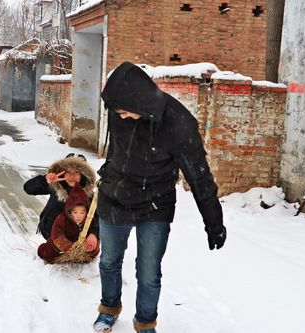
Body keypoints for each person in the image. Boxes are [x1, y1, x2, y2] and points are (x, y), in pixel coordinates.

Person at [93, 62, 227, 333]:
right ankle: (109, 307)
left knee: (149, 272)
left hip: (155, 204)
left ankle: (145, 323)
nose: (119, 115)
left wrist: (214, 222)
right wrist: (107, 179)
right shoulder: (119, 111)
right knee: (109, 261)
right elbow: (115, 151)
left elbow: (199, 177)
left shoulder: (179, 125)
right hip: (116, 196)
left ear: (137, 101)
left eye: (122, 110)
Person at [23, 153, 96, 240]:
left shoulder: (89, 194)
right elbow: (28, 188)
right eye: (68, 172)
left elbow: (97, 218)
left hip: (76, 238)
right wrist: (45, 180)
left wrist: (93, 234)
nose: (72, 176)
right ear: (62, 173)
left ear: (83, 175)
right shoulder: (56, 185)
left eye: (76, 172)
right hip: (51, 232)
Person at [37, 184, 100, 262]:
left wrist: (92, 246)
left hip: (80, 248)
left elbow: (95, 235)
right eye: (75, 212)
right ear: (69, 211)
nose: (78, 216)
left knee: (92, 253)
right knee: (48, 253)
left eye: (82, 212)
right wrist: (68, 247)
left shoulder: (90, 220)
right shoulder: (62, 218)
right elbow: (57, 234)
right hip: (62, 248)